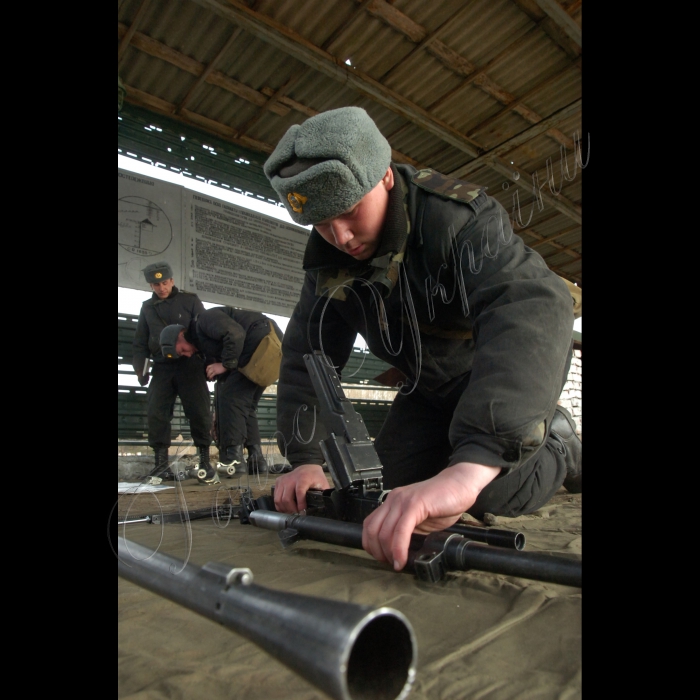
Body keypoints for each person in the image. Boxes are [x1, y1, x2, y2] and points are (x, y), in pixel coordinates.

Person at [262, 106, 582, 572]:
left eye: (350, 212)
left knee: (493, 487)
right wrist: (304, 458)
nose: (340, 236)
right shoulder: (329, 261)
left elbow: (532, 305)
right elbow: (307, 352)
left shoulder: (457, 220)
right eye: (321, 224)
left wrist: (472, 467)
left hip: (488, 385)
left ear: (386, 177)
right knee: (388, 495)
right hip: (425, 391)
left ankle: (559, 442)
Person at [160, 307, 284, 477]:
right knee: (246, 407)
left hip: (259, 337)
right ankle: (257, 460)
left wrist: (225, 365)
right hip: (268, 343)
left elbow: (235, 334)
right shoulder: (205, 344)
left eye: (181, 350)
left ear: (181, 334)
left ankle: (234, 461)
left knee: (231, 398)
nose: (186, 355)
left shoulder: (204, 320)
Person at [132, 261, 215, 484]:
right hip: (162, 367)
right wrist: (140, 369)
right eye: (156, 284)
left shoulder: (190, 301)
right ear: (151, 285)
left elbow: (205, 331)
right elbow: (140, 342)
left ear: (172, 280)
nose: (161, 288)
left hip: (190, 364)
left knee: (199, 412)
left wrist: (210, 363)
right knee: (157, 412)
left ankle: (205, 461)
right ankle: (161, 465)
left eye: (164, 282)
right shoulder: (147, 308)